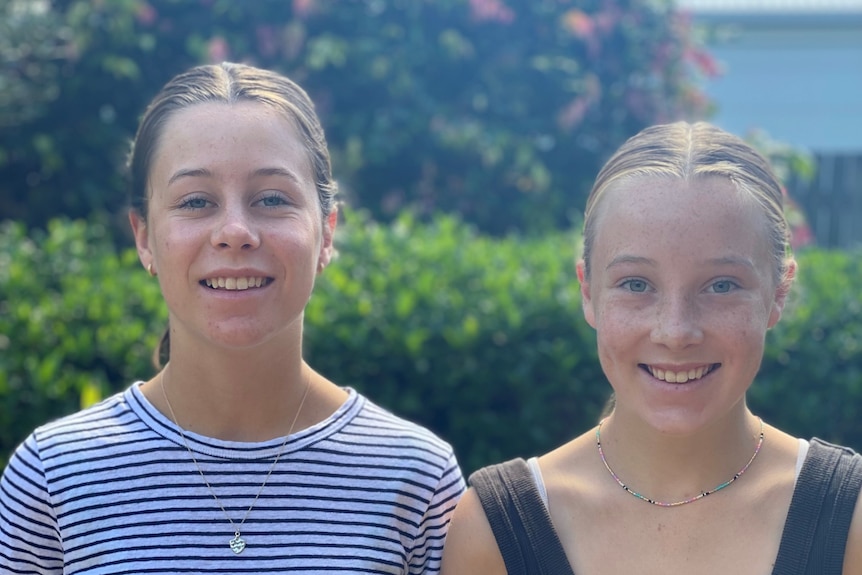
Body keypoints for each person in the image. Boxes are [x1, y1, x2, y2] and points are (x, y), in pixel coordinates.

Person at [0, 62, 464, 574]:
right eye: (195, 201)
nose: (236, 231)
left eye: (272, 199)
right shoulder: (53, 476)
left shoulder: (417, 478)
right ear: (143, 236)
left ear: (327, 232)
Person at [440, 121, 862, 575]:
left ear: (778, 293)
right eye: (636, 284)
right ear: (588, 292)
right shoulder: (494, 533)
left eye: (721, 285)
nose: (676, 331)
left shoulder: (850, 522)